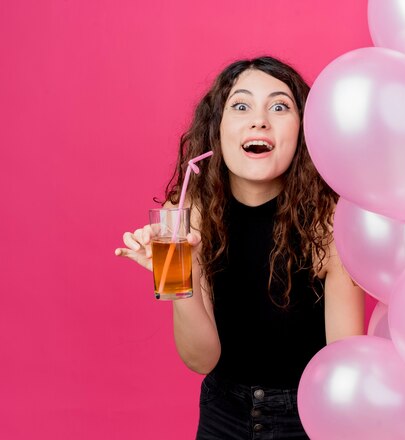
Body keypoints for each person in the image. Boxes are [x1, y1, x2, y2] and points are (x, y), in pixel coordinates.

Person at [114, 56, 365, 439]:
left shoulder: (330, 223)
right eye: (241, 105)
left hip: (308, 416)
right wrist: (182, 276)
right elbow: (201, 360)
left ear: (304, 130)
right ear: (217, 130)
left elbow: (346, 368)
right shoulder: (184, 216)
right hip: (222, 415)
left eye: (280, 106)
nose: (259, 120)